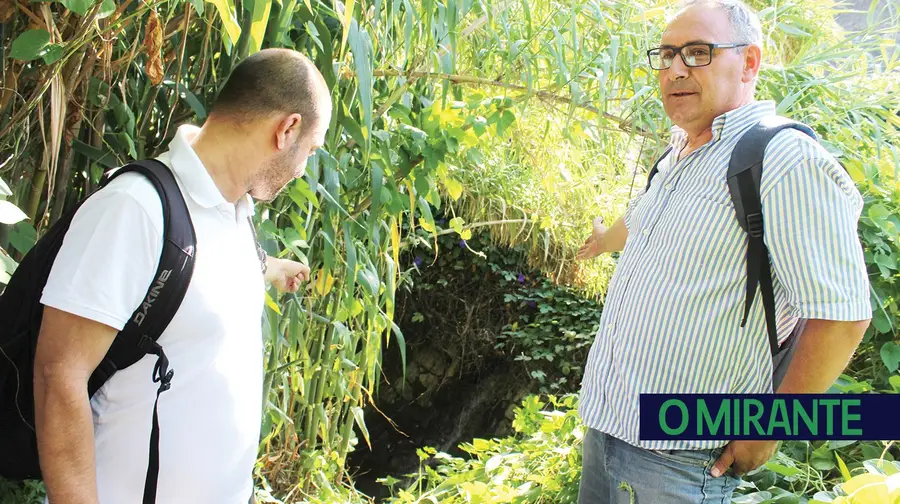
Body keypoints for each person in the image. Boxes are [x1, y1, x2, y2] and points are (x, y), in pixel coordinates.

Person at [574, 1, 871, 502]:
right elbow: (644, 219)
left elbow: (842, 316)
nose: (675, 69)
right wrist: (605, 240)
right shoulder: (681, 152)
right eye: (666, 55)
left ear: (749, 63)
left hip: (682, 463)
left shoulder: (783, 159)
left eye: (697, 52)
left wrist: (770, 426)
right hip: (606, 434)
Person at [33, 48, 332, 504]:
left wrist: (274, 269)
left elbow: (202, 285)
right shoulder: (135, 209)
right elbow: (59, 375)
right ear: (286, 129)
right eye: (310, 150)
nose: (303, 168)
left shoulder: (235, 214)